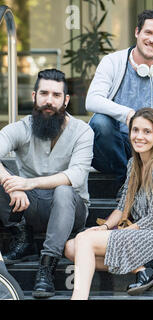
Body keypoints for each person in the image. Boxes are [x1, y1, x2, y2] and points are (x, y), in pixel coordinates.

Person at [65, 108, 153, 300]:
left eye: (147, 132)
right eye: (135, 130)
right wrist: (105, 227)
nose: (139, 136)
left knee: (84, 241)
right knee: (71, 248)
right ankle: (142, 270)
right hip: (143, 233)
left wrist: (119, 233)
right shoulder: (134, 164)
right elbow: (123, 207)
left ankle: (79, 297)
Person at [0, 69, 94, 298]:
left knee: (63, 188)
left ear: (66, 100)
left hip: (71, 209)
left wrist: (29, 184)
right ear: (34, 96)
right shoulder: (22, 127)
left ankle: (47, 265)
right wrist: (11, 182)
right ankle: (21, 235)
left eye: (55, 95)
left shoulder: (83, 131)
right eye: (43, 93)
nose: (49, 101)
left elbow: (76, 176)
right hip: (29, 209)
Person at [85, 8, 153, 193]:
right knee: (100, 122)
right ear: (137, 32)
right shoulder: (113, 62)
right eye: (148, 32)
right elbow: (92, 100)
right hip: (116, 147)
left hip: (151, 145)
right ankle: (128, 184)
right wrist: (128, 113)